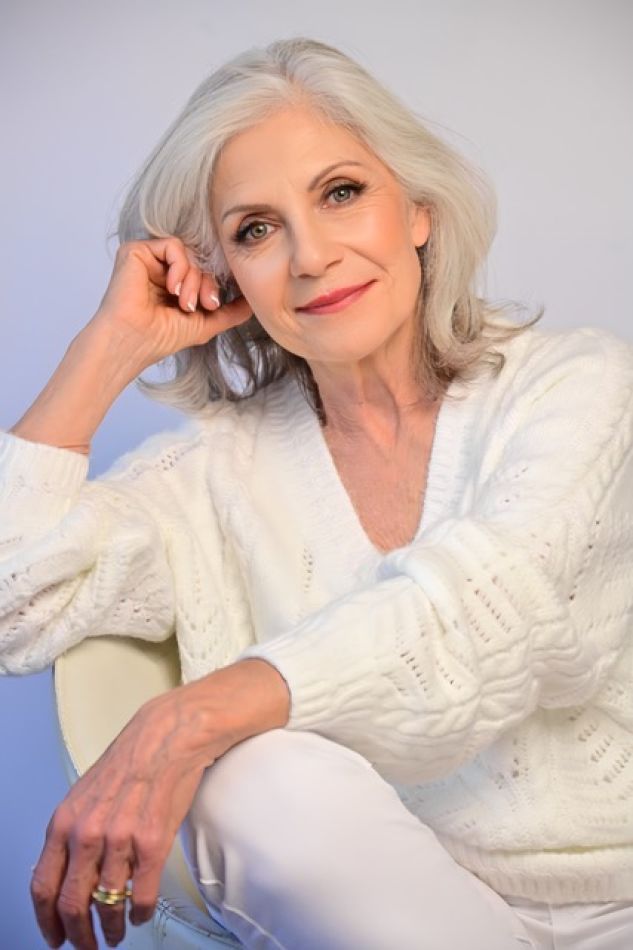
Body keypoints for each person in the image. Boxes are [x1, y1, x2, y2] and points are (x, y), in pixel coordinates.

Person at [1, 34, 632, 950]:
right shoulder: (212, 473)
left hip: (616, 900)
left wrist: (186, 717)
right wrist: (107, 347)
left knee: (224, 748)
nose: (310, 255)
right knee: (254, 781)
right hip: (383, 916)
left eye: (341, 193)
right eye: (255, 230)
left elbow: (486, 615)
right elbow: (13, 607)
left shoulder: (579, 386)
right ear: (224, 275)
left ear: (417, 210)